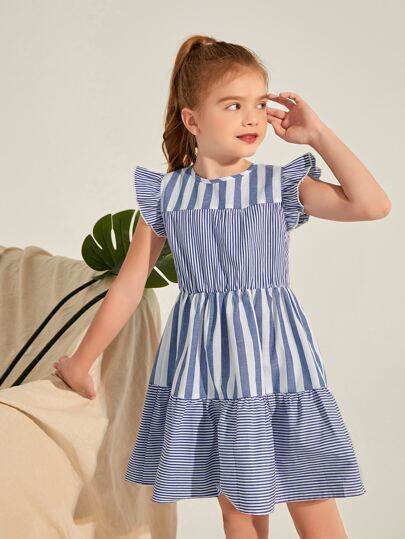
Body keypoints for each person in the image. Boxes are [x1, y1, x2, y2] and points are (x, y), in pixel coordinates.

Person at [53, 34, 391, 539]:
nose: (251, 118)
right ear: (192, 120)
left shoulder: (277, 186)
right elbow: (128, 286)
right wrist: (81, 363)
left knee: (310, 495)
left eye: (258, 104)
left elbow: (372, 205)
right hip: (211, 367)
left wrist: (318, 135)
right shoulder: (168, 195)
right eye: (233, 105)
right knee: (238, 509)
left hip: (277, 363)